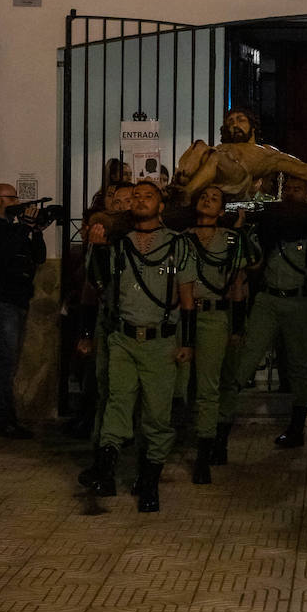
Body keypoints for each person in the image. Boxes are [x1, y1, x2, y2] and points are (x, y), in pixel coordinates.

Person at [79, 179, 184, 511]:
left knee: (156, 416)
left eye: (145, 196)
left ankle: (149, 482)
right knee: (115, 403)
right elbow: (98, 285)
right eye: (131, 197)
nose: (136, 201)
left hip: (160, 340)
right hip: (122, 336)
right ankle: (104, 471)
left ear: (160, 205)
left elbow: (187, 297)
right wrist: (96, 245)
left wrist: (188, 342)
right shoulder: (118, 243)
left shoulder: (176, 244)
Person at [232, 174, 307, 448]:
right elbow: (254, 262)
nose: (291, 193)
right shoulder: (270, 225)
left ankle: (297, 427)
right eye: (287, 189)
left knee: (300, 366)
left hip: (301, 302)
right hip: (268, 299)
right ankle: (220, 424)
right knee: (246, 360)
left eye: (297, 189)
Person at [176, 185, 251, 484]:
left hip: (213, 317)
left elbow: (237, 285)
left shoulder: (231, 240)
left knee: (209, 387)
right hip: (184, 316)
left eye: (214, 198)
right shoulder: (182, 239)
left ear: (222, 211)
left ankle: (204, 454)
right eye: (204, 196)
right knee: (181, 386)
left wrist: (236, 327)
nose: (207, 200)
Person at [0, 182, 47, 438]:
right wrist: (24, 227)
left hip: (17, 300)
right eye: (11, 197)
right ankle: (2, 419)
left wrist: (35, 231)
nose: (17, 201)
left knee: (5, 362)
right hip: (2, 302)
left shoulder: (13, 229)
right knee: (5, 361)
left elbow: (38, 257)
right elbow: (3, 254)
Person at [172, 107, 307, 203]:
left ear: (253, 126)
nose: (235, 125)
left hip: (239, 180)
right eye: (230, 122)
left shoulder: (265, 152)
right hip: (216, 181)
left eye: (241, 120)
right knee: (200, 145)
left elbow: (306, 171)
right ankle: (177, 185)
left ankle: (186, 193)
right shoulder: (221, 147)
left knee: (214, 156)